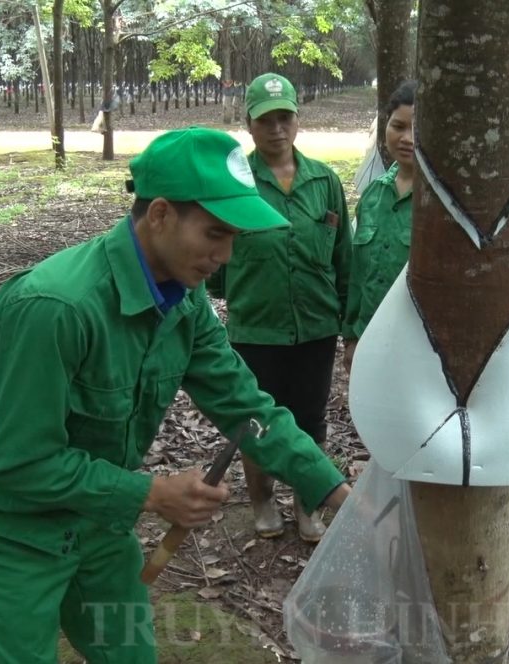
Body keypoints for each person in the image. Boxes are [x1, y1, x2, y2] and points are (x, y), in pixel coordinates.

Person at [0, 127, 351, 664]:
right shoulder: (56, 307)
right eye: (215, 233)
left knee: (127, 651)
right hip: (4, 523)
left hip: (96, 510)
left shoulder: (185, 302)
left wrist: (337, 493)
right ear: (161, 214)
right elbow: (20, 461)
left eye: (235, 237)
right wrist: (151, 493)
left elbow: (247, 407)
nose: (226, 255)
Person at [206, 72, 351, 543]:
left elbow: (343, 255)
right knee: (256, 422)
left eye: (284, 117)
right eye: (265, 120)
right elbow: (215, 263)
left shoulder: (324, 181)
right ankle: (262, 500)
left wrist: (348, 322)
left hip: (315, 326)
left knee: (310, 420)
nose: (276, 128)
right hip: (256, 326)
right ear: (249, 123)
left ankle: (308, 505)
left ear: (297, 119)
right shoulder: (235, 182)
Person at [342, 80, 416, 373]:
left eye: (418, 128)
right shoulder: (373, 195)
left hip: (419, 351)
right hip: (370, 339)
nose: (407, 138)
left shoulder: (441, 205)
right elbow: (358, 274)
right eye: (398, 126)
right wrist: (351, 336)